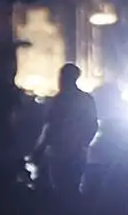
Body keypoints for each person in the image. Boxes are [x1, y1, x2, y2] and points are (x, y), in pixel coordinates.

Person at [32, 64, 99, 197]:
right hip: (76, 152)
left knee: (60, 189)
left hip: (59, 152)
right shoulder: (85, 99)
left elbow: (50, 128)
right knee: (73, 187)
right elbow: (92, 125)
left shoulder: (59, 100)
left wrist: (39, 150)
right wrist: (83, 144)